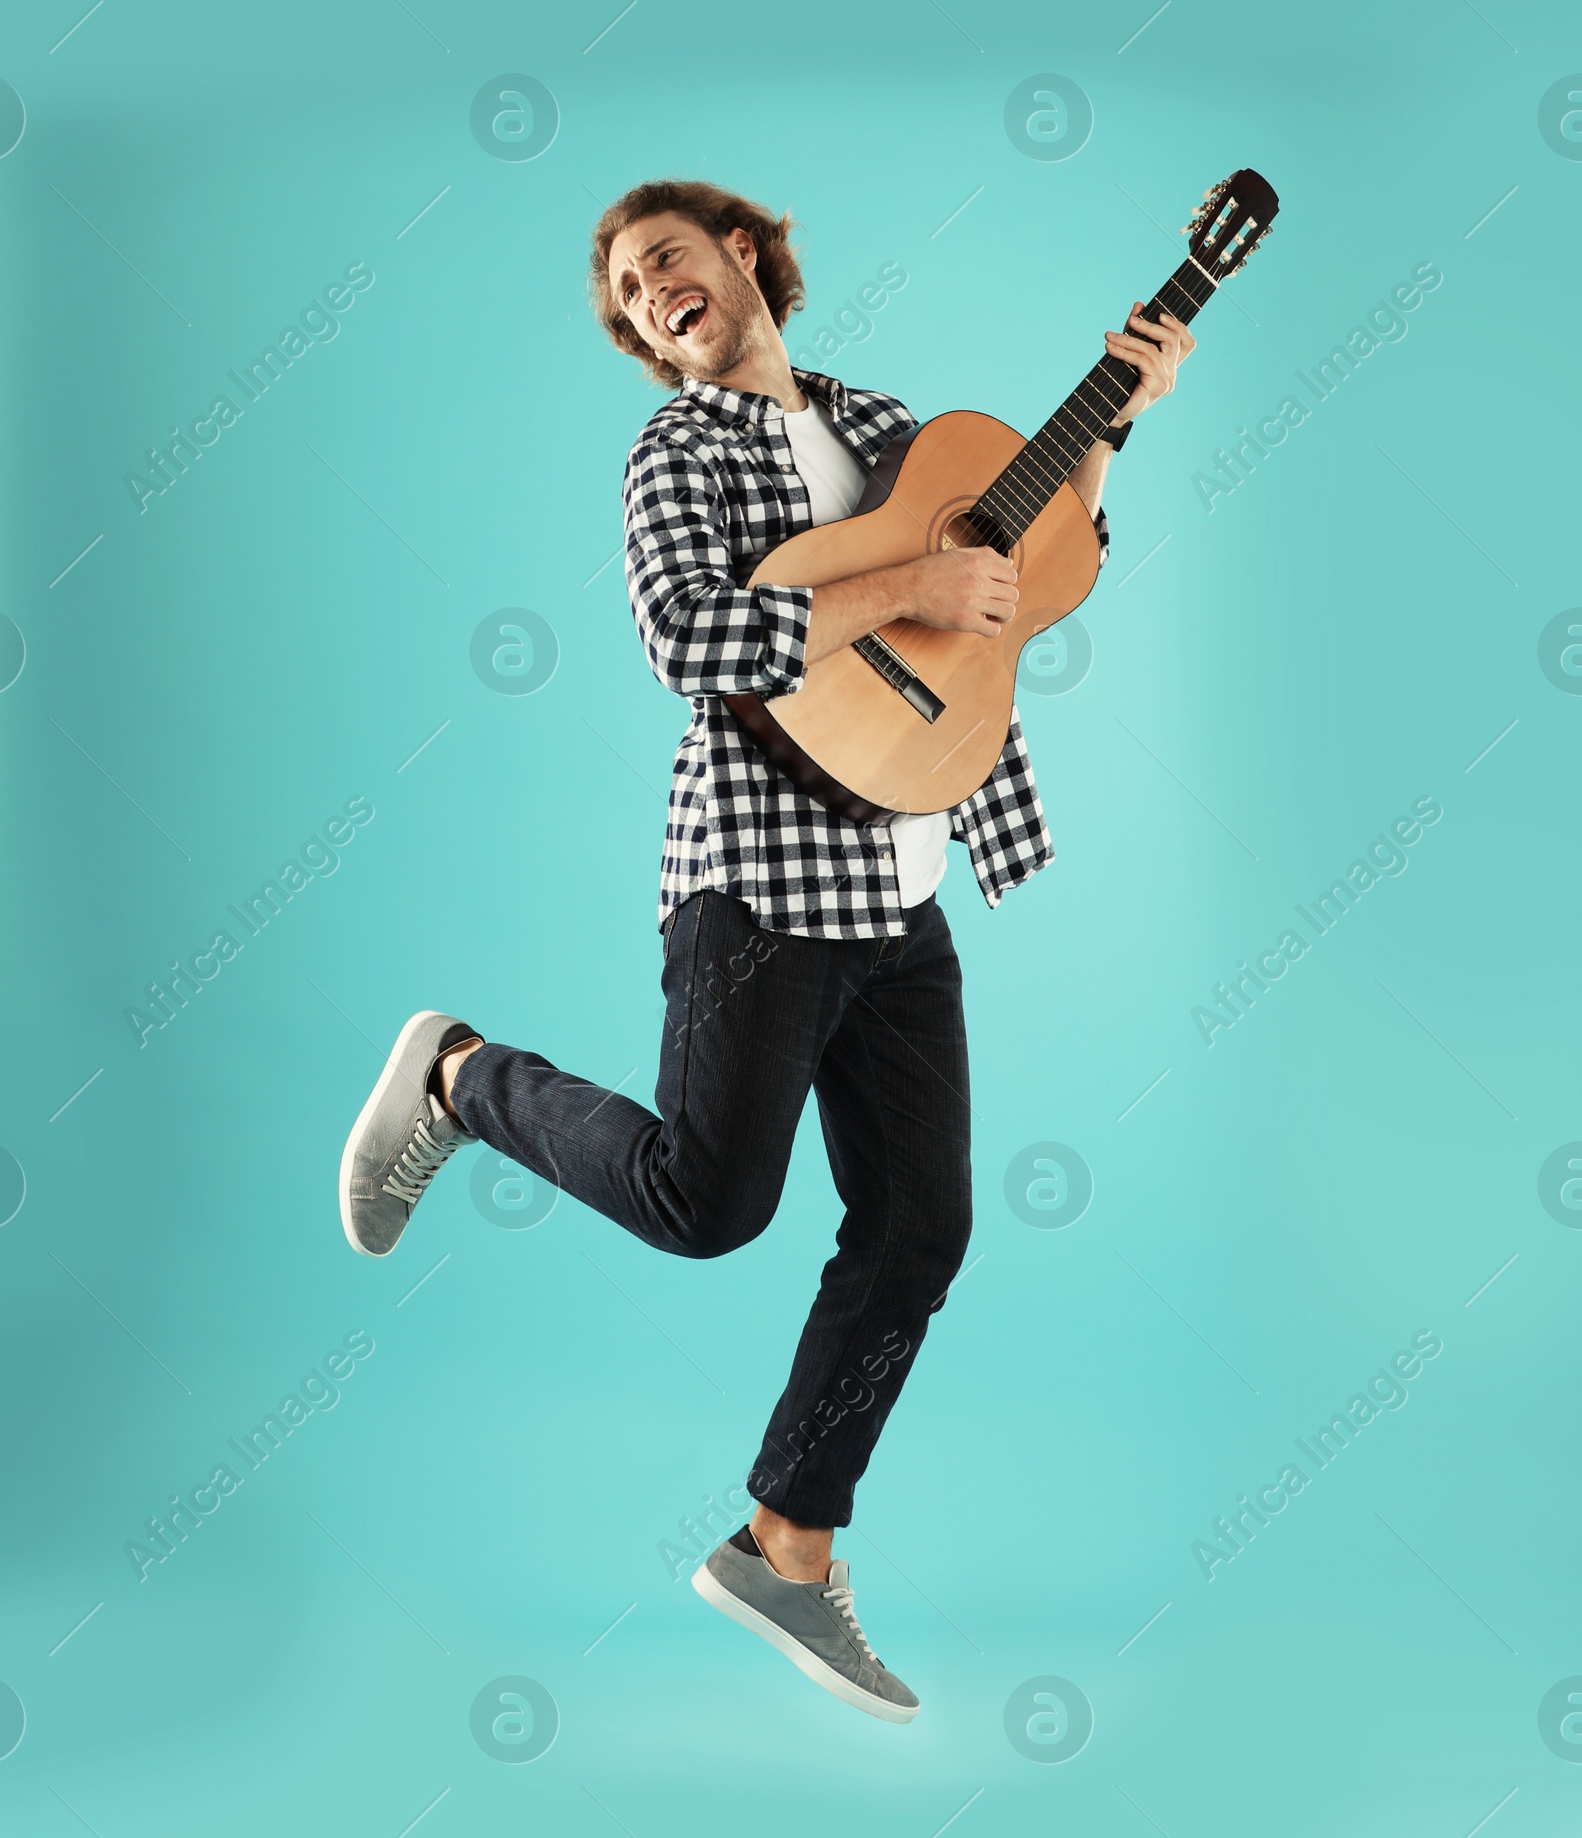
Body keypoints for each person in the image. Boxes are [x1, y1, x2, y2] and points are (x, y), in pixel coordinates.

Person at [337, 177, 1194, 1722]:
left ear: (743, 254)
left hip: (903, 875)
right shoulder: (675, 447)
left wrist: (1116, 418)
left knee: (922, 1226)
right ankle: (463, 1076)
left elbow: (1041, 569)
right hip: (757, 878)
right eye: (626, 289)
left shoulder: (892, 427)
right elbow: (690, 634)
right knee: (706, 1203)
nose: (650, 289)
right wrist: (912, 584)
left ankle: (786, 1544)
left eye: (666, 255)